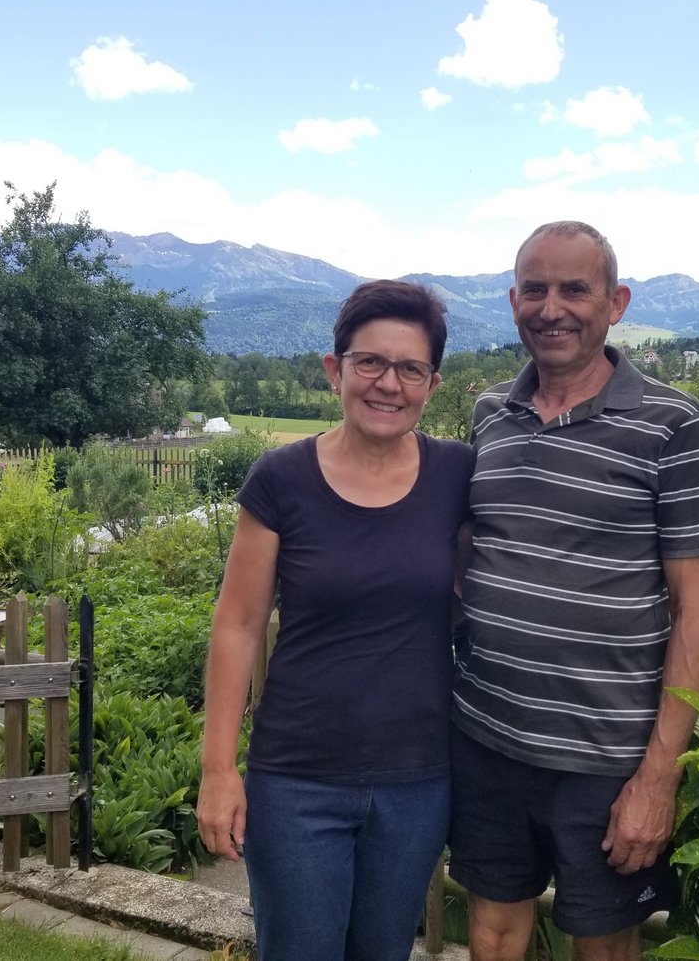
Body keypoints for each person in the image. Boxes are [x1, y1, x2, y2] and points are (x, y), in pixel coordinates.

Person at [450, 221, 699, 961]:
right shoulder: (491, 415)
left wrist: (658, 777)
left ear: (617, 302)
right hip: (488, 739)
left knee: (603, 948)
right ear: (513, 301)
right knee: (492, 934)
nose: (553, 308)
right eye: (535, 289)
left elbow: (698, 611)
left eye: (575, 288)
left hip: (607, 760)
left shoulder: (674, 424)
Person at [197, 279, 474, 961]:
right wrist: (218, 769)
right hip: (297, 780)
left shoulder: (458, 478)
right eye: (370, 362)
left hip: (417, 780)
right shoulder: (281, 480)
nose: (389, 383)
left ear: (432, 384)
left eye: (410, 368)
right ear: (335, 369)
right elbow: (236, 626)